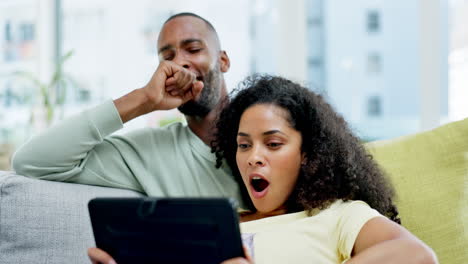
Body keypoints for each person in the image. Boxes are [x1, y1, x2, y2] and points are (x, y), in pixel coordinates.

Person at [88, 75, 438, 264]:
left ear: (306, 153)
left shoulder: (337, 216)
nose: (253, 157)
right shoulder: (215, 224)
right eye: (243, 145)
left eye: (273, 144)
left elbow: (417, 256)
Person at [11, 13, 244, 205]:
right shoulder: (149, 153)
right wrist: (143, 99)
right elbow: (31, 161)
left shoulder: (266, 137)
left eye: (193, 49)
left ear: (223, 61)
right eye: (167, 56)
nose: (179, 62)